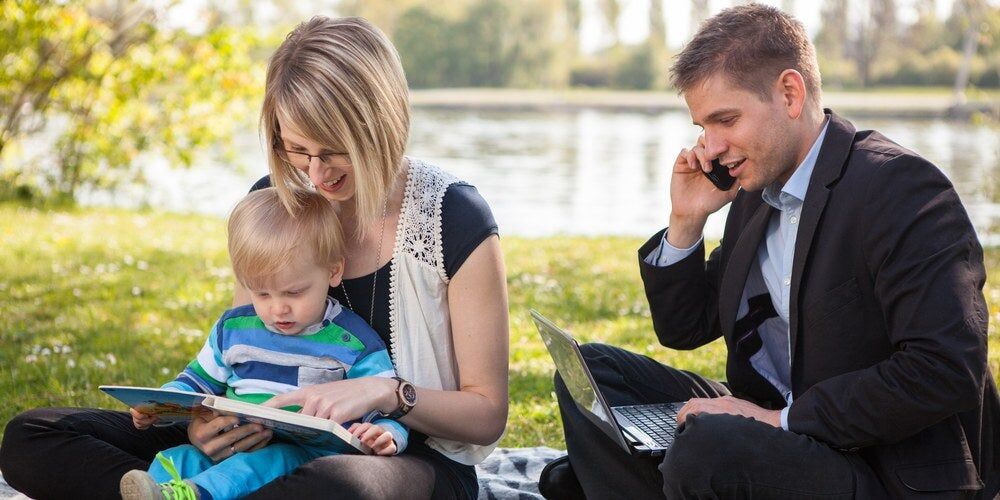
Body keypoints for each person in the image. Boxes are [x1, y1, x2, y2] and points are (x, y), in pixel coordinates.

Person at [1, 16, 509, 500]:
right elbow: (243, 343)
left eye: (334, 151)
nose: (316, 175)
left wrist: (388, 394)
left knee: (334, 487)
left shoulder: (452, 217)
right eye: (296, 149)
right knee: (35, 436)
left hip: (399, 458)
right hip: (261, 439)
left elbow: (486, 415)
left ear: (381, 125)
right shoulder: (274, 203)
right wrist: (205, 425)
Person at [547, 5, 999, 499]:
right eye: (702, 125)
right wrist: (686, 221)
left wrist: (776, 420)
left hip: (879, 466)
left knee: (707, 448)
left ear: (789, 92)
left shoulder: (901, 188)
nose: (710, 146)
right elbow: (685, 328)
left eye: (726, 119)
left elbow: (945, 368)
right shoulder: (756, 192)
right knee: (589, 373)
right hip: (771, 426)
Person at [119, 187, 408, 500]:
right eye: (262, 294)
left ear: (333, 271)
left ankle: (190, 496)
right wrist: (159, 404)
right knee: (177, 457)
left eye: (294, 293)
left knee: (263, 462)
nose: (278, 309)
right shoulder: (233, 330)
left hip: (302, 458)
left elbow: (384, 408)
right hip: (233, 442)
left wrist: (386, 435)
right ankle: (157, 493)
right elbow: (196, 381)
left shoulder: (354, 342)